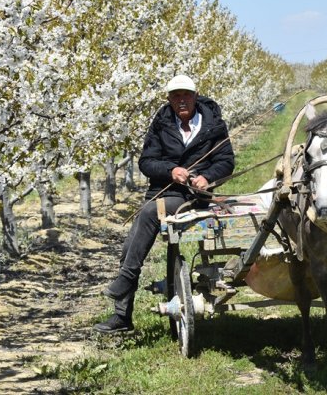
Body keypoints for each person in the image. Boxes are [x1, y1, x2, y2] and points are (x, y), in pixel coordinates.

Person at [94, 74, 235, 334]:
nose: (181, 100)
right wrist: (172, 171)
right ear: (169, 99)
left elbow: (226, 161)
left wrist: (207, 177)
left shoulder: (213, 124)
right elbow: (146, 162)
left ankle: (126, 279)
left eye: (186, 95)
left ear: (195, 96)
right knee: (128, 249)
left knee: (148, 213)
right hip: (165, 190)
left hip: (196, 196)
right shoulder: (161, 124)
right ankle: (122, 317)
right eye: (175, 96)